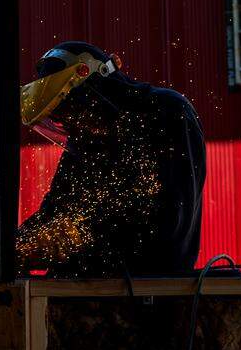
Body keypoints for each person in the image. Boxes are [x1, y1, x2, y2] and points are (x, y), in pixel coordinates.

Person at [16, 41, 206, 277]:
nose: (72, 123)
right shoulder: (87, 136)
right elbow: (55, 209)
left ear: (94, 88)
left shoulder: (166, 113)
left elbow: (166, 218)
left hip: (150, 285)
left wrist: (77, 239)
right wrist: (14, 248)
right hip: (85, 286)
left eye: (72, 111)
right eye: (62, 117)